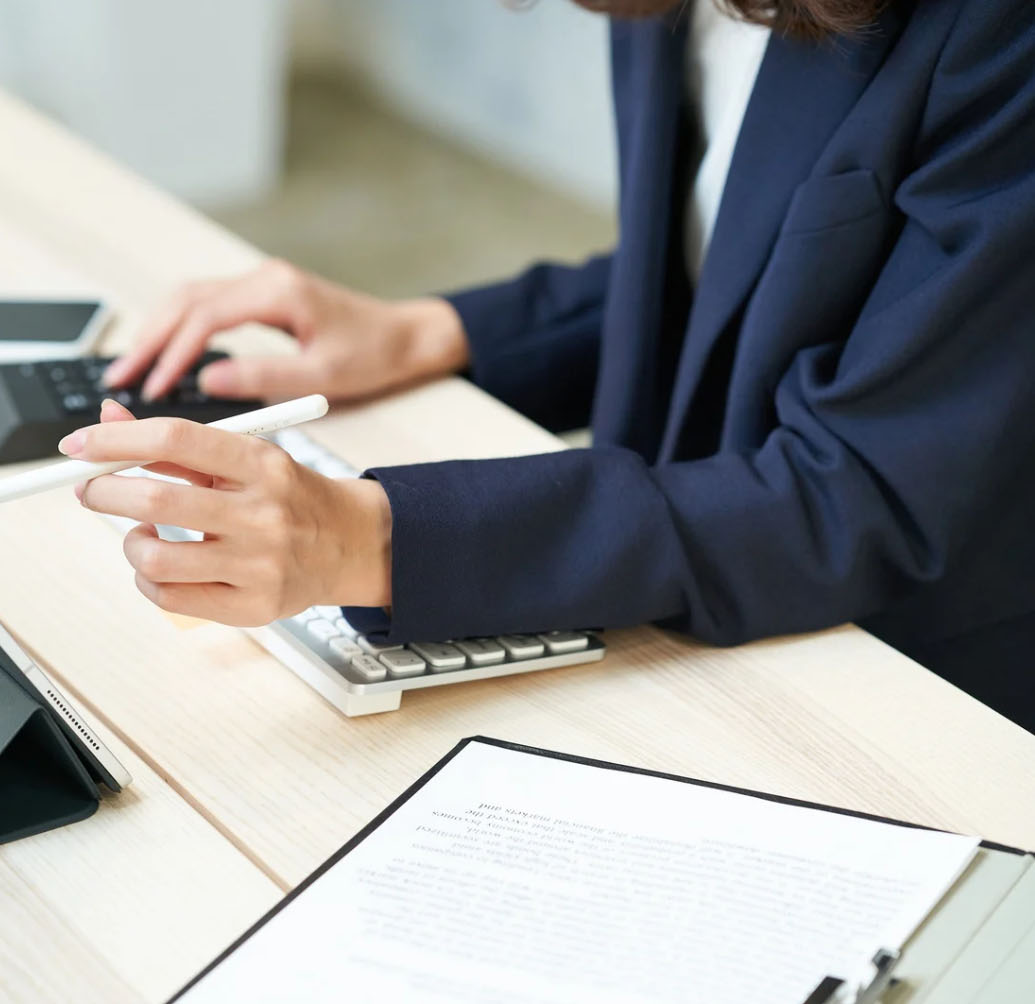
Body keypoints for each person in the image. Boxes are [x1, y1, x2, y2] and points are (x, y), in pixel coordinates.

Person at [66, 0, 1035, 731]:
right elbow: (748, 257)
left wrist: (378, 537)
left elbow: (873, 491)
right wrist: (433, 331)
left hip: (922, 685)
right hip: (710, 599)